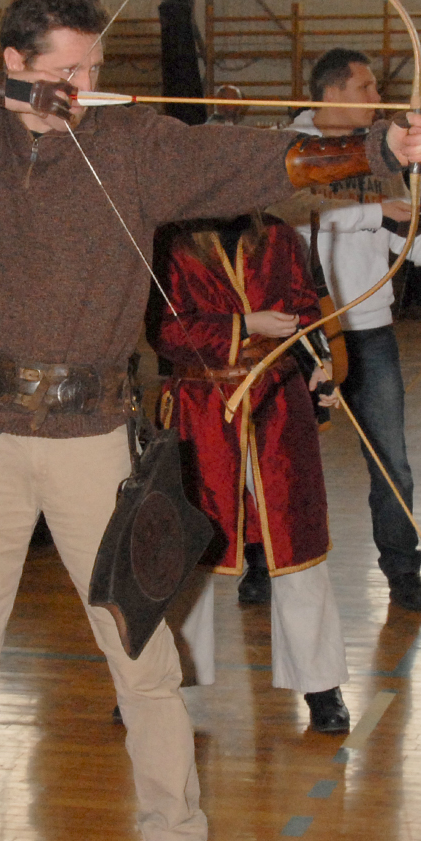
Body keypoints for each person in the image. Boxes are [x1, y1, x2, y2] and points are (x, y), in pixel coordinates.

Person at [0, 0, 421, 841]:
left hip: (90, 438)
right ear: (17, 64)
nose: (86, 86)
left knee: (140, 648)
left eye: (94, 67)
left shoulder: (130, 143)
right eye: (68, 69)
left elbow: (258, 162)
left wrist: (376, 148)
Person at [266, 48, 421, 613]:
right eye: (366, 87)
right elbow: (289, 216)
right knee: (277, 460)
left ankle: (402, 571)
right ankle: (262, 565)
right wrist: (375, 213)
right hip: (297, 334)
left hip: (369, 332)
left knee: (393, 464)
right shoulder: (286, 148)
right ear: (332, 92)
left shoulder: (382, 153)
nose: (376, 98)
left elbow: (403, 233)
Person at [154, 213, 351, 733]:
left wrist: (317, 365)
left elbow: (305, 311)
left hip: (279, 407)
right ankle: (160, 679)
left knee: (297, 544)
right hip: (202, 410)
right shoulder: (171, 242)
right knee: (186, 546)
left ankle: (321, 684)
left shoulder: (280, 235)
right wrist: (246, 325)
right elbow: (165, 331)